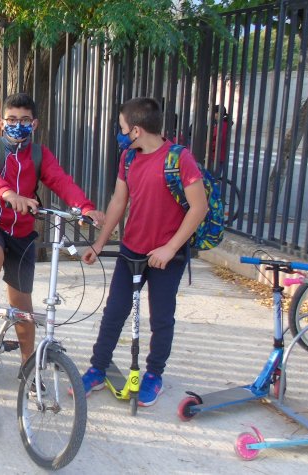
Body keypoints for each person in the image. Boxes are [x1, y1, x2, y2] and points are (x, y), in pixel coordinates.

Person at [78, 97, 207, 407]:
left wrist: (170, 247)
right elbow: (118, 202)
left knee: (161, 318)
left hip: (167, 257)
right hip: (131, 251)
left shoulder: (179, 159)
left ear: (135, 130)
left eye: (122, 128)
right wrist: (100, 243)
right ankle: (98, 368)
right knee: (114, 312)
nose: (120, 134)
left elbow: (199, 208)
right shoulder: (128, 158)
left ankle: (154, 375)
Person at [0, 93, 105, 368]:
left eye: (25, 120)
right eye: (12, 119)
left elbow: (61, 181)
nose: (18, 125)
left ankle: (29, 366)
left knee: (22, 305)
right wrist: (9, 194)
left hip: (22, 233)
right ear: (2, 122)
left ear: (35, 124)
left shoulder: (40, 155)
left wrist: (85, 207)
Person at [208, 105, 229, 173]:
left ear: (218, 113)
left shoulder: (222, 125)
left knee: (213, 178)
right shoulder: (223, 124)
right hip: (218, 155)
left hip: (216, 155)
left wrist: (209, 148)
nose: (213, 115)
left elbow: (218, 139)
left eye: (214, 113)